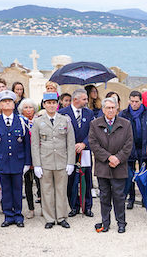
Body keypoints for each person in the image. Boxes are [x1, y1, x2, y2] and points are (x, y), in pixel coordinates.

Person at [0, 90, 32, 227]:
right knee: (5, 189)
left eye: (10, 101)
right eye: (4, 101)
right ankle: (8, 215)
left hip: (18, 160)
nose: (7, 103)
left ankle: (18, 215)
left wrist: (27, 162)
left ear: (14, 104)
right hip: (2, 161)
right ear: (0, 105)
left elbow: (26, 144)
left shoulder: (22, 121)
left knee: (18, 189)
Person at [89, 96, 133, 233]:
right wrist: (108, 157)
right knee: (104, 196)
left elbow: (128, 145)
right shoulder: (95, 124)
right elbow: (93, 144)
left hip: (119, 166)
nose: (110, 110)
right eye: (108, 108)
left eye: (113, 107)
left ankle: (121, 223)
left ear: (117, 109)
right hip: (103, 166)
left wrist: (118, 158)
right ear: (103, 109)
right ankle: (105, 223)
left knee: (119, 196)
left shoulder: (126, 124)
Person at [31, 93, 75, 230]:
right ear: (44, 104)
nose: (51, 105)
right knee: (46, 190)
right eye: (48, 103)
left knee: (61, 190)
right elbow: (34, 144)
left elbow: (71, 142)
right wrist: (37, 164)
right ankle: (49, 218)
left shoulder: (65, 120)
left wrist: (70, 162)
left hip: (62, 161)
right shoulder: (38, 121)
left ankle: (61, 217)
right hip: (45, 161)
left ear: (58, 104)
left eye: (53, 103)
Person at [60, 89, 94, 218]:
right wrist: (71, 145)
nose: (86, 101)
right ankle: (74, 206)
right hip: (69, 151)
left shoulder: (89, 113)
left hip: (85, 151)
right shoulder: (63, 113)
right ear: (76, 100)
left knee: (86, 178)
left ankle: (87, 206)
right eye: (84, 99)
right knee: (71, 180)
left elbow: (92, 131)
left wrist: (84, 144)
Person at [120, 90, 147, 210]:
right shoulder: (123, 114)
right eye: (132, 101)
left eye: (136, 101)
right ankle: (131, 198)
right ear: (129, 101)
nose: (134, 104)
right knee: (130, 175)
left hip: (144, 148)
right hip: (130, 148)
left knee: (144, 175)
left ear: (141, 101)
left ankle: (145, 198)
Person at [19, 99, 40, 219]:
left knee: (41, 183)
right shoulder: (20, 121)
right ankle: (31, 208)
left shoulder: (39, 120)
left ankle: (44, 207)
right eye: (25, 108)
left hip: (39, 156)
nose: (28, 110)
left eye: (30, 107)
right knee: (28, 183)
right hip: (25, 156)